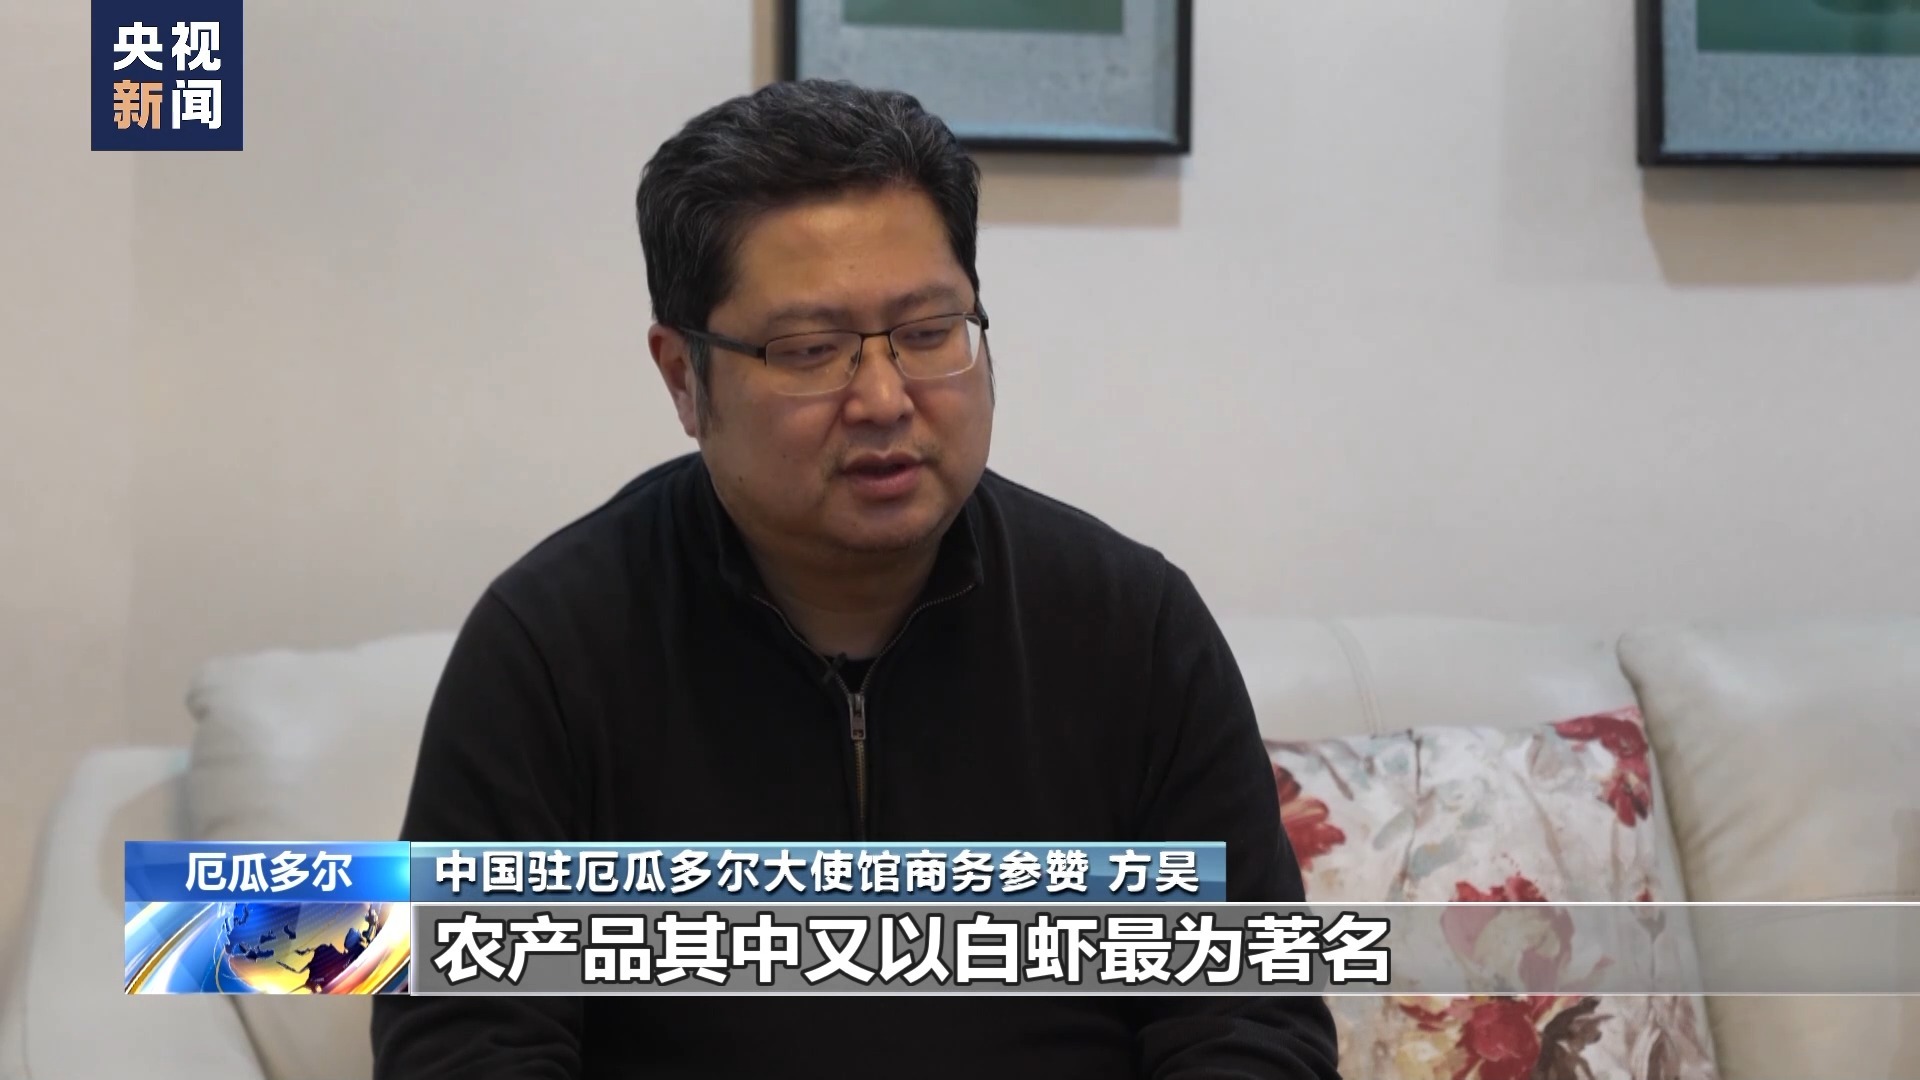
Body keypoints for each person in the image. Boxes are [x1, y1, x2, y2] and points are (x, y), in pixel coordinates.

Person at [371, 78, 1340, 1080]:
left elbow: (1253, 1024)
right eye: (809, 350)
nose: (884, 398)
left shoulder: (1133, 628)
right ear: (683, 377)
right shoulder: (550, 648)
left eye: (928, 332)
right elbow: (463, 1042)